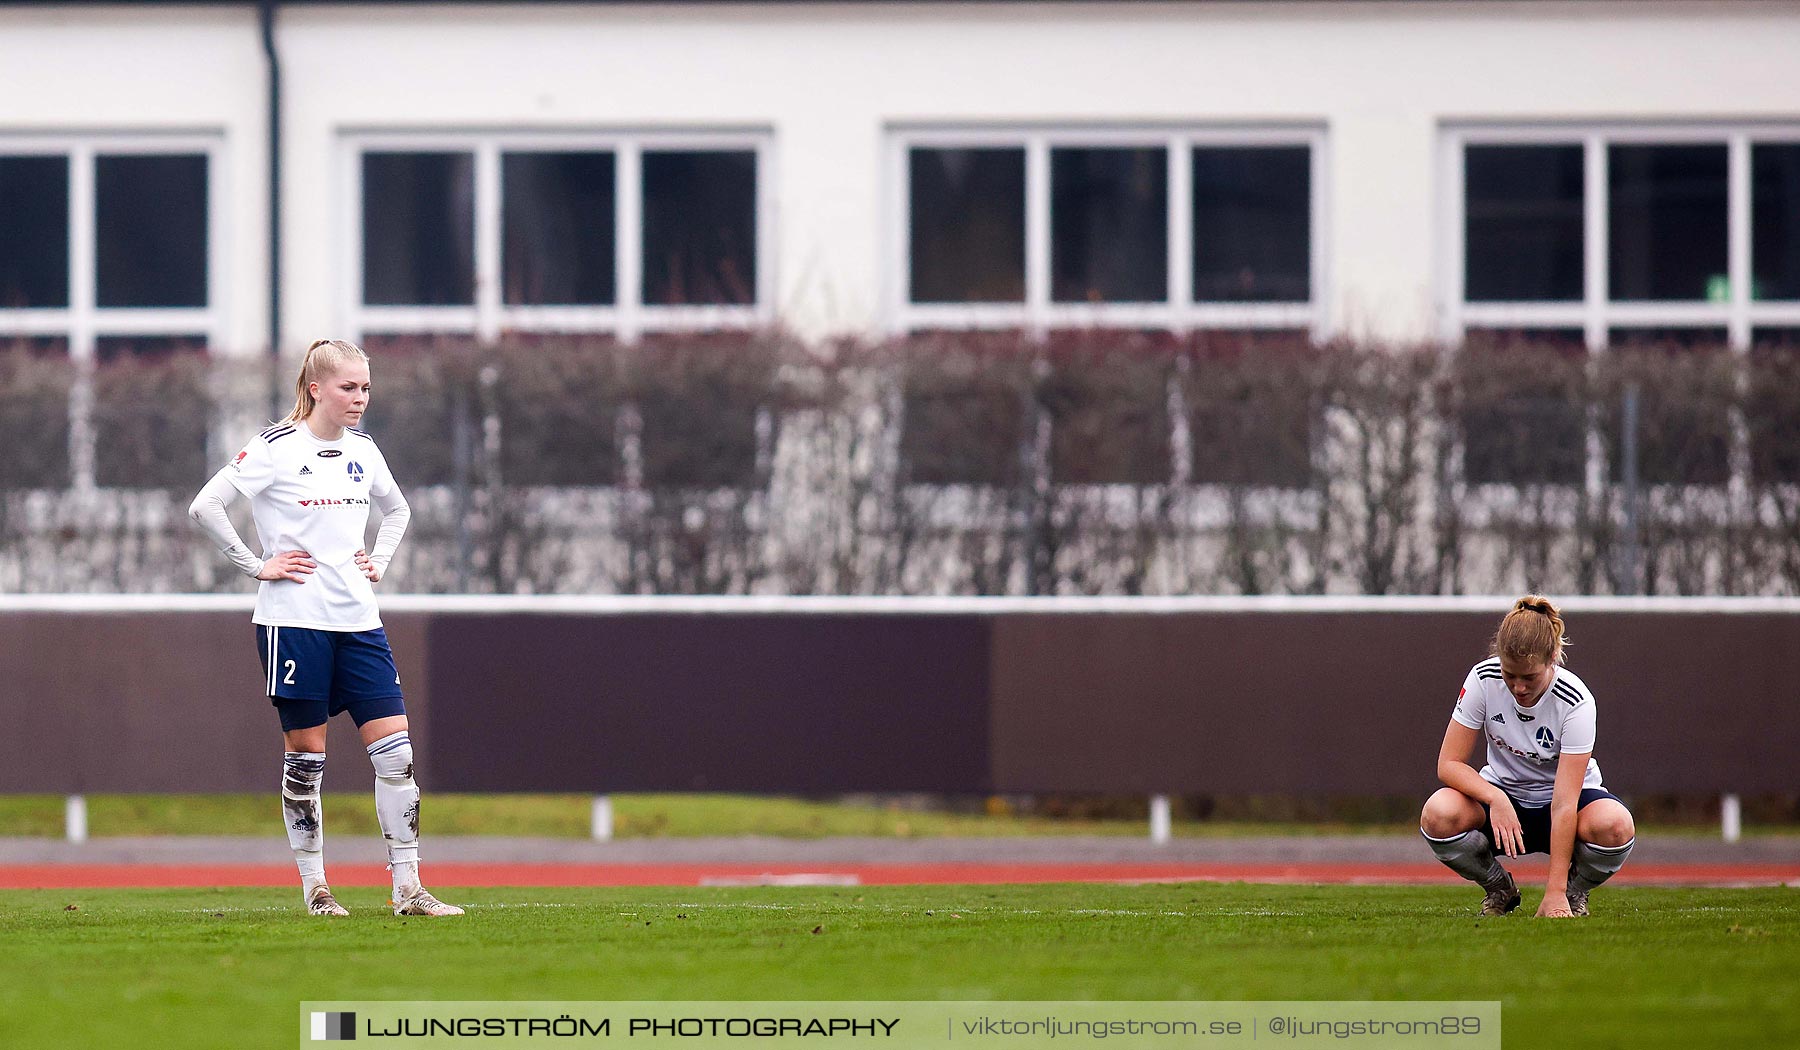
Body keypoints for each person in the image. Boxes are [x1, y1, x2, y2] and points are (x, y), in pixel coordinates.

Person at [189, 338, 462, 918]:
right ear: (316, 389)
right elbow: (205, 507)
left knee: (397, 757)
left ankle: (408, 888)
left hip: (360, 622)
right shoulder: (274, 450)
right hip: (294, 624)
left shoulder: (366, 450)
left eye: (365, 387)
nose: (360, 398)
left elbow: (399, 510)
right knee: (307, 758)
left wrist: (379, 561)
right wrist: (256, 564)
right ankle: (316, 888)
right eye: (348, 387)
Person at [1419, 595, 1635, 918]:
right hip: (1503, 799)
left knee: (1616, 827)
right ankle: (1499, 889)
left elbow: (1563, 804)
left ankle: (1575, 893)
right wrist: (1495, 798)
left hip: (1565, 805)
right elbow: (1448, 764)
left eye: (1529, 677)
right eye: (1510, 676)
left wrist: (1555, 892)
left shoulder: (1576, 702)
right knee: (1437, 815)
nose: (1518, 688)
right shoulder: (1482, 679)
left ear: (1552, 660)